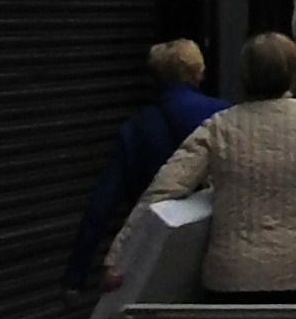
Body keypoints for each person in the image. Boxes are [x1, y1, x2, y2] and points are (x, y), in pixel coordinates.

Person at [192, 28, 296, 299]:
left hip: (233, 273)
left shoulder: (219, 126)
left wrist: (120, 252)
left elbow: (167, 185)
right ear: (293, 72)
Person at [63, 37, 216, 296]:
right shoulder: (221, 116)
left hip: (153, 251)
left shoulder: (136, 128)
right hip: (211, 252)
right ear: (197, 71)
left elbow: (101, 205)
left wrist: (76, 275)